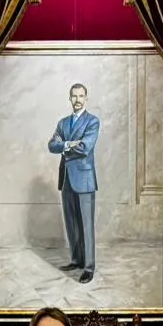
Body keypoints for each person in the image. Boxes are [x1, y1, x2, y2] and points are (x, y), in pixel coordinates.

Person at [49, 82, 100, 283]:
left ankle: (88, 267)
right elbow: (52, 145)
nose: (77, 100)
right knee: (71, 223)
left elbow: (86, 147)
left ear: (86, 98)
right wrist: (70, 144)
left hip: (85, 178)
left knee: (86, 224)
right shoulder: (62, 123)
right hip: (67, 178)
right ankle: (76, 260)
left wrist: (64, 146)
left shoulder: (92, 122)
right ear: (69, 98)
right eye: (74, 96)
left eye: (81, 96)